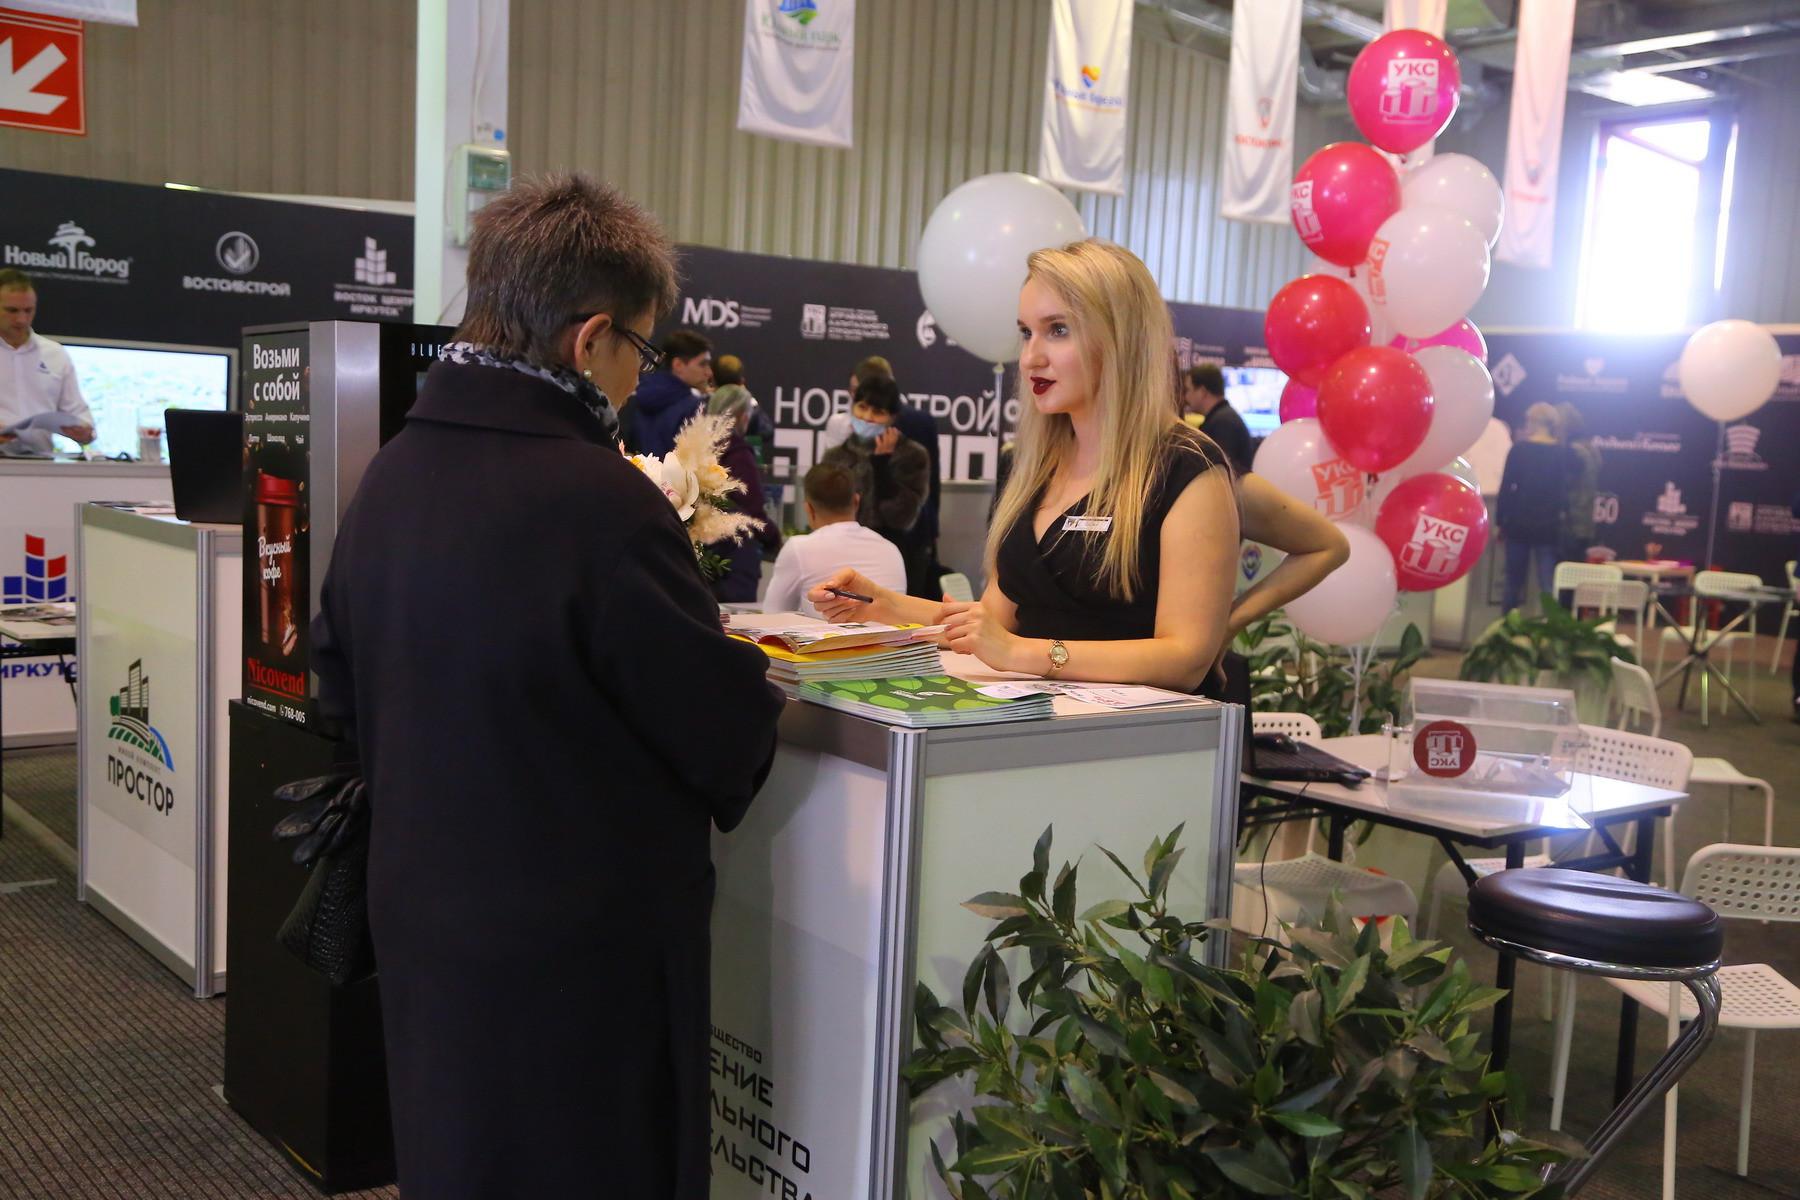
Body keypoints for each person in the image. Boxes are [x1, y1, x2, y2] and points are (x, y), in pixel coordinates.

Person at [309, 173, 783, 1200]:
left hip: (425, 917)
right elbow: (723, 732)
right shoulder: (601, 503)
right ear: (592, 338)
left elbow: (336, 683)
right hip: (579, 955)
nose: (636, 378)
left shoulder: (392, 474)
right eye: (640, 351)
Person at [813, 239, 1244, 694]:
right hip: (1037, 720)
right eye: (1025, 333)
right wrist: (880, 604)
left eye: (1058, 330)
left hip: (1142, 733)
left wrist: (1024, 653)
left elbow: (1185, 659)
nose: (1030, 358)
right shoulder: (1030, 467)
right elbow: (993, 623)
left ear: (1121, 338)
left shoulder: (1187, 469)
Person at [822, 357, 944, 594]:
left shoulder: (912, 456)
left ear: (892, 418)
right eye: (862, 407)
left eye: (878, 412)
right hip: (842, 558)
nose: (868, 417)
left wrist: (881, 466)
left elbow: (901, 517)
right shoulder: (835, 456)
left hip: (896, 559)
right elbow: (825, 512)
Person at [762, 461, 906, 617]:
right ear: (856, 501)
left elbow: (772, 614)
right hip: (892, 633)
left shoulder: (799, 548)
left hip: (829, 633)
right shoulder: (890, 549)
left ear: (808, 509)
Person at [0, 268, 95, 448]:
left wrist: (84, 431)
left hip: (42, 461)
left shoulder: (55, 354)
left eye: (28, 310)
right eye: (12, 311)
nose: (21, 319)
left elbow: (80, 416)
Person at [704, 383, 781, 603]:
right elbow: (753, 512)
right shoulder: (739, 455)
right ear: (742, 416)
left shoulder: (696, 447)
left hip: (699, 555)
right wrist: (775, 539)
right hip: (734, 559)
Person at [1497, 402, 1574, 612]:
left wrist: (1500, 520)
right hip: (1548, 526)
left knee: (1513, 583)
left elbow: (1507, 487)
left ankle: (1506, 625)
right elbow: (1563, 491)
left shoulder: (1519, 450)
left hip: (1518, 523)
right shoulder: (1560, 453)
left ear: (1532, 421)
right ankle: (1550, 626)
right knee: (1547, 584)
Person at [625, 328, 712, 457]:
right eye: (702, 364)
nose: (708, 372)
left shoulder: (631, 394)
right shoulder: (693, 406)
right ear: (678, 365)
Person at [1180, 362, 1253, 476]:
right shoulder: (1223, 418)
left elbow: (1220, 472)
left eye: (1188, 390)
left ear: (1202, 392)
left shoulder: (1223, 423)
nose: (1185, 397)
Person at [1555, 402, 1600, 563]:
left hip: (1569, 523)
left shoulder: (1571, 452)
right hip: (1585, 523)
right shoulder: (1590, 449)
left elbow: (1564, 486)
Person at [713, 353, 775, 462]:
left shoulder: (704, 401)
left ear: (713, 380)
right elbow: (767, 431)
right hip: (738, 460)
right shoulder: (748, 403)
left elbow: (767, 431)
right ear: (741, 381)